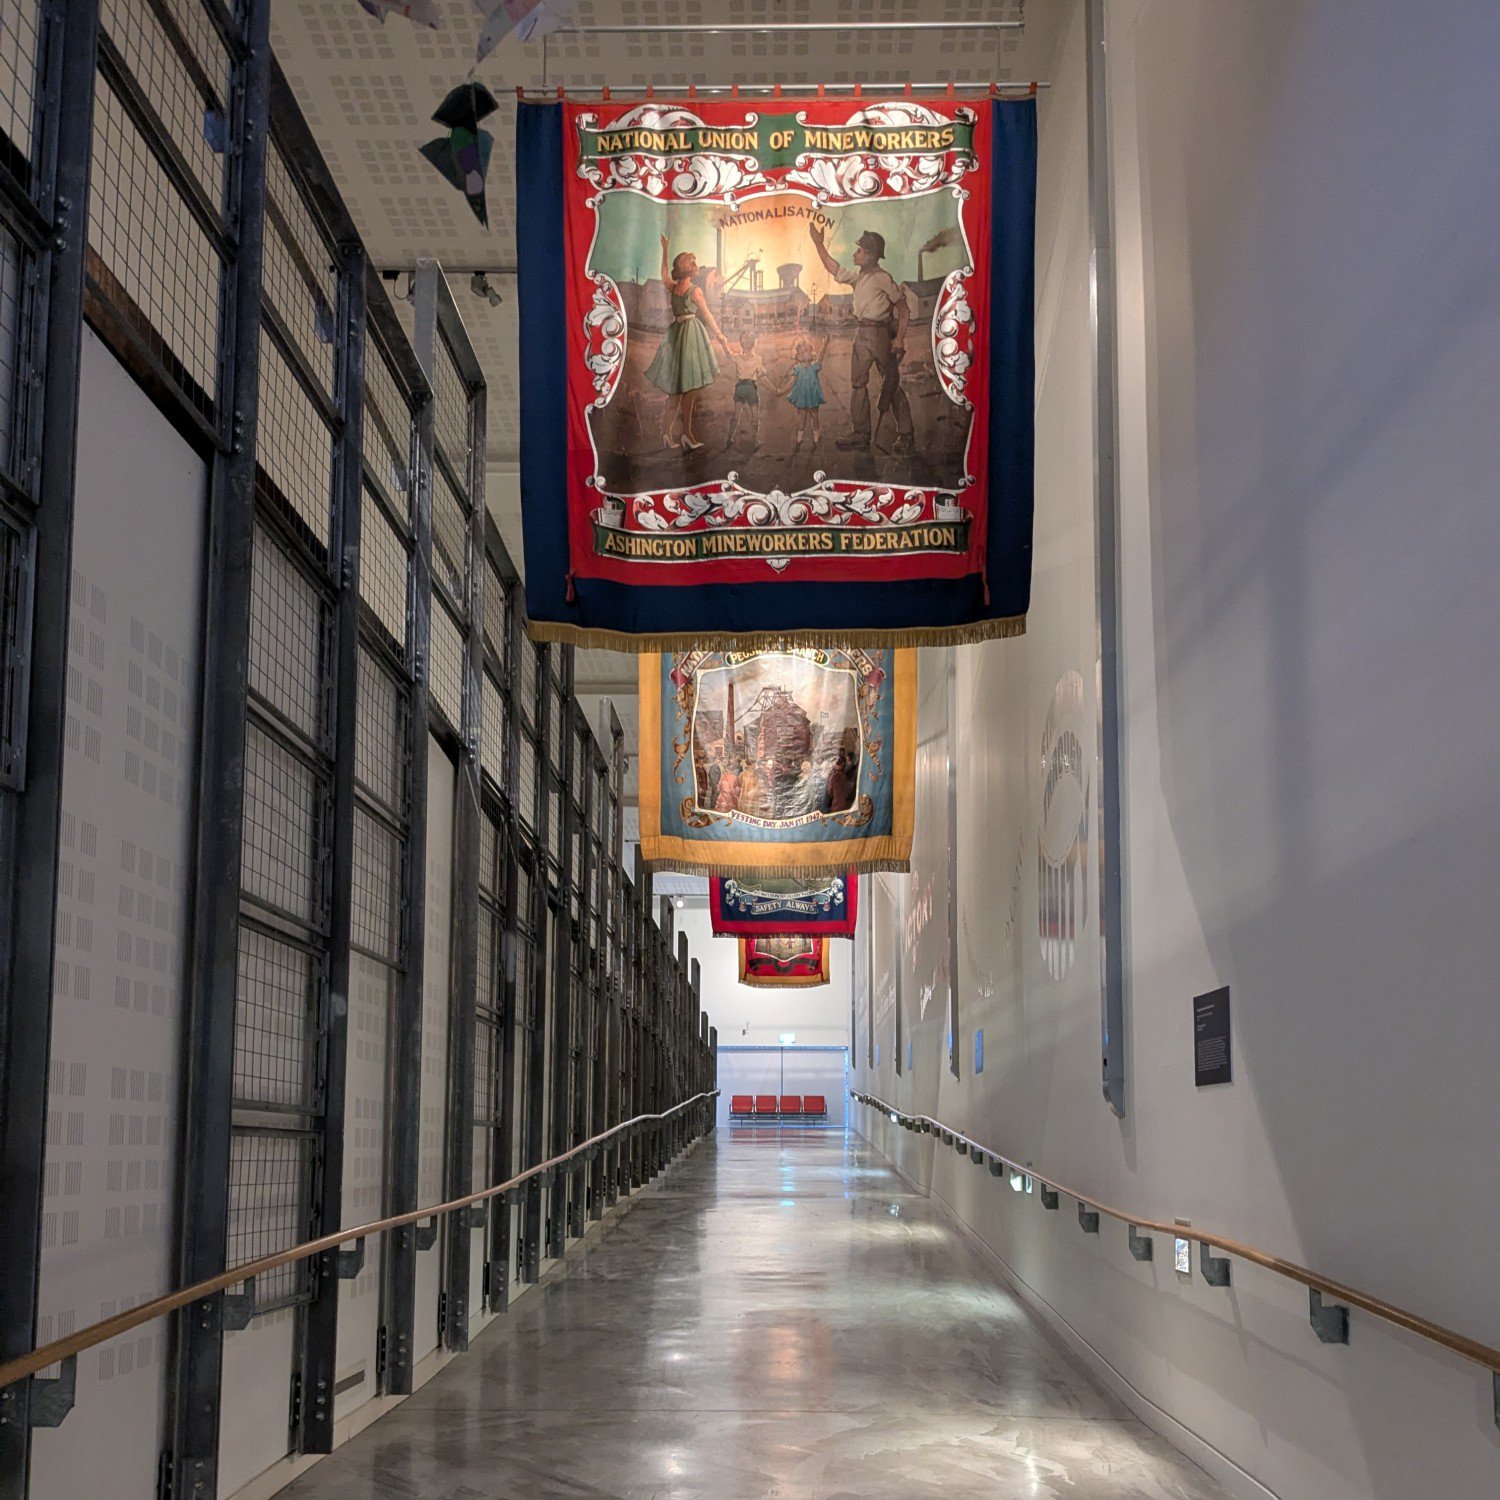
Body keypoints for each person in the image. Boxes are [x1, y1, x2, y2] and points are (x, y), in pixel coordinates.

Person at [807, 224, 916, 454]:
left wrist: (899, 340)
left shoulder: (883, 278)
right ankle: (860, 434)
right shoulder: (858, 278)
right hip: (862, 334)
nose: (855, 254)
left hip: (881, 335)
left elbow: (904, 309)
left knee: (891, 383)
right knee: (858, 385)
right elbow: (833, 267)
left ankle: (905, 434)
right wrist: (818, 243)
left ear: (871, 254)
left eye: (859, 250)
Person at [644, 235, 733, 451]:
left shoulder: (673, 287)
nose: (696, 265)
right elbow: (708, 316)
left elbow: (663, 273)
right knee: (689, 389)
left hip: (676, 334)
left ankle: (668, 433)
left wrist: (665, 249)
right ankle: (686, 434)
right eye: (692, 263)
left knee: (676, 390)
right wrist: (721, 337)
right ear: (688, 269)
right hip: (691, 335)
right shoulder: (695, 291)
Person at [778, 333, 832, 448]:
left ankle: (816, 436)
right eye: (803, 351)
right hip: (802, 396)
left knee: (815, 415)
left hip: (813, 396)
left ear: (811, 353)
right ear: (799, 355)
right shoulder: (798, 368)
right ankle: (799, 437)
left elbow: (821, 356)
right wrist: (782, 391)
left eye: (808, 350)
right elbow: (791, 382)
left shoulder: (814, 366)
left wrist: (825, 344)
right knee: (802, 417)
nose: (806, 353)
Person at [726, 328, 769, 448]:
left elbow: (728, 354)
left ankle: (730, 438)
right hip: (750, 388)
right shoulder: (757, 359)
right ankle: (756, 441)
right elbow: (761, 373)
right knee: (755, 416)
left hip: (740, 387)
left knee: (736, 415)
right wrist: (763, 372)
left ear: (741, 343)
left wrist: (723, 342)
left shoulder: (738, 357)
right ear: (754, 343)